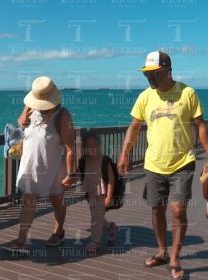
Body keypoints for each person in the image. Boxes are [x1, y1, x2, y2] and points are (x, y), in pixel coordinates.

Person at [118, 51, 208, 280]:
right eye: (147, 73)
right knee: (157, 209)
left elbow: (200, 125)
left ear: (168, 71)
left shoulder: (187, 93)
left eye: (154, 73)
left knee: (178, 209)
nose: (150, 78)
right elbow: (135, 126)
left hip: (183, 161)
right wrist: (124, 154)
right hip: (153, 163)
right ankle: (162, 251)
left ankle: (175, 259)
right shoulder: (145, 97)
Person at [3, 76, 75, 253]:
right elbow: (22, 119)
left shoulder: (62, 115)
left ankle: (58, 232)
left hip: (54, 166)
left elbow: (70, 148)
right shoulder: (31, 107)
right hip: (31, 164)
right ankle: (22, 241)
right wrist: (22, 118)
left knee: (56, 201)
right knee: (28, 200)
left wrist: (70, 174)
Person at [77, 131, 117, 253]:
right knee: (97, 216)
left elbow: (111, 180)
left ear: (99, 145)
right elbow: (78, 174)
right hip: (91, 193)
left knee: (95, 218)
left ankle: (95, 242)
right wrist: (67, 179)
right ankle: (110, 227)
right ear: (84, 148)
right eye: (88, 146)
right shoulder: (84, 161)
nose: (92, 148)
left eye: (94, 145)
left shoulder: (104, 161)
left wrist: (109, 197)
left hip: (102, 194)